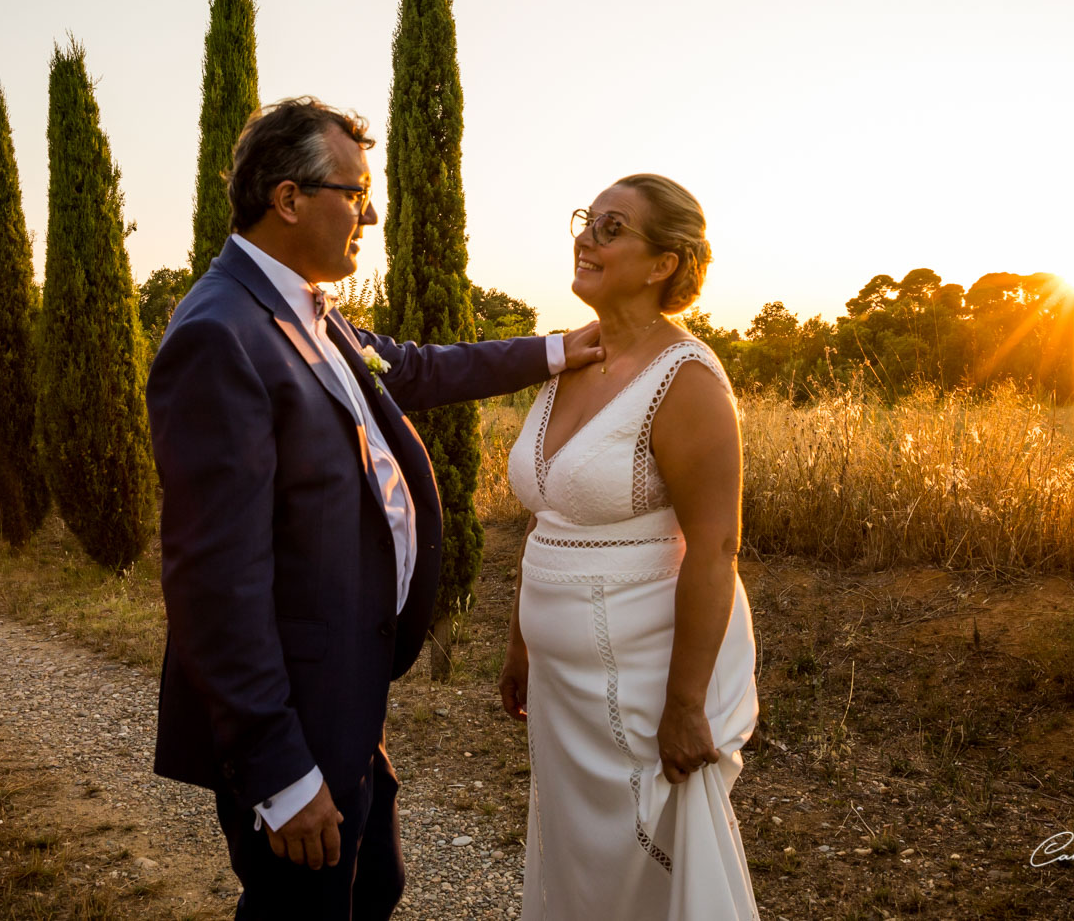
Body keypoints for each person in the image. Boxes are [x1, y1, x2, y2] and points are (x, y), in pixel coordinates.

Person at [146, 96, 602, 921]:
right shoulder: (221, 334)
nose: (371, 213)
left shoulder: (305, 310)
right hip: (290, 718)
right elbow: (214, 584)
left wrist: (558, 350)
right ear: (288, 199)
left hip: (341, 694)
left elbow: (419, 369)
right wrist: (281, 772)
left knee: (373, 884)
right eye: (355, 193)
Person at [498, 174, 760, 920]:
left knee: (643, 868)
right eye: (587, 219)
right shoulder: (570, 360)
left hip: (642, 687)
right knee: (576, 858)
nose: (586, 236)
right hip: (559, 688)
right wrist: (522, 643)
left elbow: (715, 547)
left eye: (611, 227)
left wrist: (683, 705)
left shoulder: (687, 382)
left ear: (663, 264)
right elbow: (548, 514)